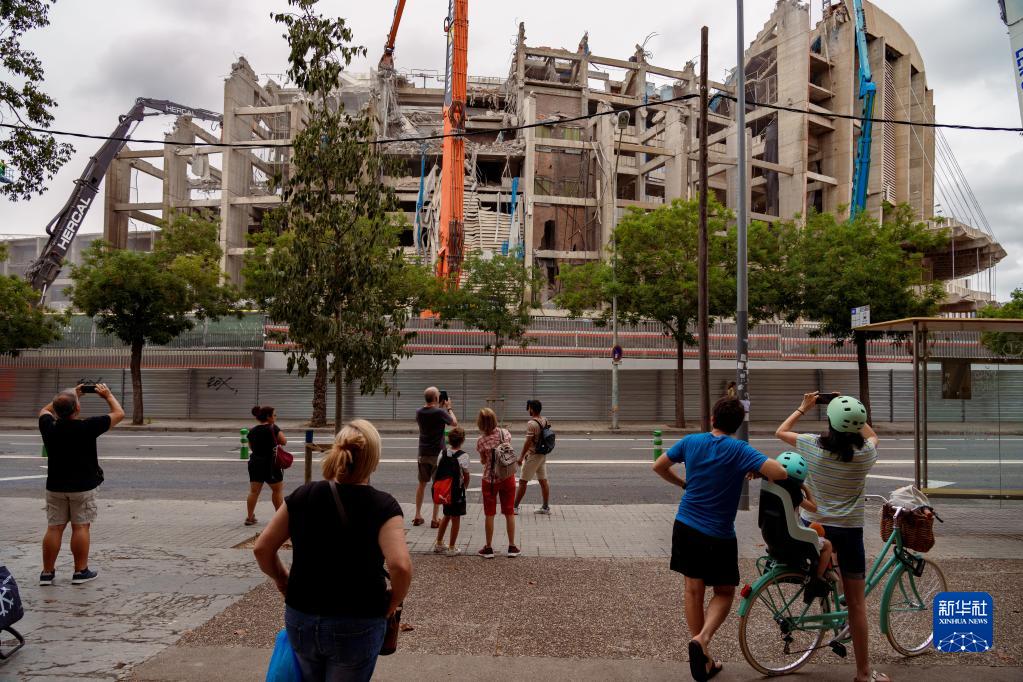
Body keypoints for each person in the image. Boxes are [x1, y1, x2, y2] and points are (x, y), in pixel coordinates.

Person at [254, 419, 412, 682]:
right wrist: (392, 603)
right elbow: (401, 567)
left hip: (302, 615)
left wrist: (282, 580)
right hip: (357, 621)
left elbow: (262, 548)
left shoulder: (303, 495)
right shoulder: (383, 506)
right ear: (373, 461)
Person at [653, 397, 787, 681]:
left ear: (713, 419)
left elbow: (659, 466)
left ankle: (702, 655)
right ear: (737, 426)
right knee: (724, 591)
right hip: (718, 533)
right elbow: (780, 472)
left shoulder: (691, 441)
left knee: (693, 591)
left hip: (685, 525)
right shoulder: (739, 449)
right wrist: (756, 468)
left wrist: (683, 483)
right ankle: (702, 641)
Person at [775, 392, 888, 682]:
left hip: (815, 527)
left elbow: (781, 431)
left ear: (830, 422)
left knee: (827, 551)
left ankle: (825, 573)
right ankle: (863, 673)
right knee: (857, 605)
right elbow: (873, 437)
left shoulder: (811, 445)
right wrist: (855, 414)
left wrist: (803, 407)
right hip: (849, 531)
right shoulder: (865, 454)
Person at [38, 383, 125, 586]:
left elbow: (44, 411)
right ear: (77, 409)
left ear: (56, 410)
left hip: (55, 486)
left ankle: (47, 573)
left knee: (54, 528)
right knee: (81, 527)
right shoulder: (88, 426)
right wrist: (107, 395)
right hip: (83, 487)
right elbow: (119, 413)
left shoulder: (49, 426)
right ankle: (80, 571)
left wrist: (72, 394)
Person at [773, 452, 836, 597]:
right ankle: (818, 578)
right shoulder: (794, 493)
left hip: (775, 535)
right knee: (827, 545)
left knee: (816, 528)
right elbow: (813, 507)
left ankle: (826, 570)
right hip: (792, 539)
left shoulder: (773, 487)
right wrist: (805, 488)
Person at [475, 408, 519, 558]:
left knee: (489, 514)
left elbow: (483, 461)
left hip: (490, 480)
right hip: (507, 476)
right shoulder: (505, 433)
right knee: (509, 512)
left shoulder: (481, 441)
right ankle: (512, 547)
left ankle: (488, 548)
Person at [414, 386, 457, 528]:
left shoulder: (419, 412)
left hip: (423, 453)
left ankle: (417, 515)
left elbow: (429, 413)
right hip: (437, 454)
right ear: (436, 398)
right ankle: (434, 518)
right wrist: (449, 408)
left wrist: (439, 407)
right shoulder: (440, 412)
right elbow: (454, 423)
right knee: (437, 485)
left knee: (421, 484)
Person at [245, 405, 286, 526]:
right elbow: (284, 441)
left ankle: (250, 517)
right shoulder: (273, 428)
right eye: (274, 415)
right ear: (268, 417)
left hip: (255, 463)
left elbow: (251, 447)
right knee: (277, 490)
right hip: (271, 464)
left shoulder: (252, 431)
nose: (275, 417)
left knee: (254, 491)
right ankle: (279, 518)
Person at [433, 426, 471, 557]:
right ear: (462, 440)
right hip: (457, 492)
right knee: (456, 518)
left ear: (449, 440)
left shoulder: (442, 453)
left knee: (446, 515)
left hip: (445, 490)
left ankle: (439, 543)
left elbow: (438, 469)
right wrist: (464, 488)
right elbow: (466, 476)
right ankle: (452, 547)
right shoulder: (464, 456)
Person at [513, 399, 551, 515]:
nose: (528, 410)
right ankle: (545, 507)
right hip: (542, 454)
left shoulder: (531, 424)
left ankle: (514, 507)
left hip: (533, 455)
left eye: (529, 408)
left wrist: (521, 457)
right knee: (543, 481)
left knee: (523, 481)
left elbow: (528, 442)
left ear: (532, 409)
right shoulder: (545, 420)